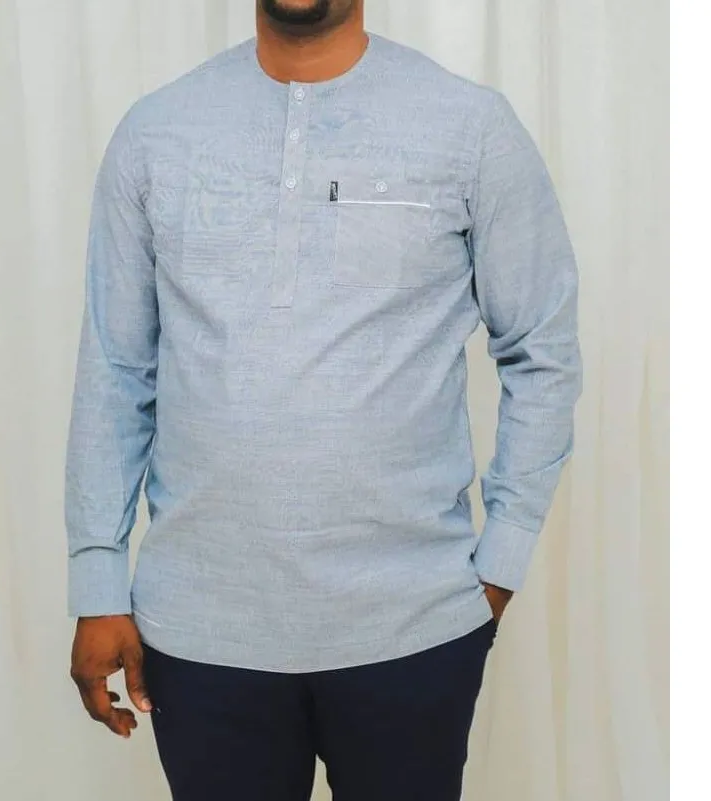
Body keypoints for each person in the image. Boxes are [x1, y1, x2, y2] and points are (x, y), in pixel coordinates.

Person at [66, 1, 582, 798]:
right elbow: (116, 366)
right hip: (200, 631)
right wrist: (98, 580)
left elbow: (541, 350)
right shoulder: (155, 132)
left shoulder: (470, 126)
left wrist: (500, 563)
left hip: (411, 626)